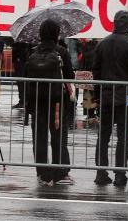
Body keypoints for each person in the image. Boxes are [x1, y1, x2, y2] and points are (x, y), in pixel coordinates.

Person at [92, 10, 128, 187]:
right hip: (127, 98)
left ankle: (101, 172)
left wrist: (97, 96)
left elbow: (96, 73)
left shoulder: (102, 44)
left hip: (106, 96)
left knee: (103, 135)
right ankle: (120, 173)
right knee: (123, 137)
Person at [23, 19, 74, 186]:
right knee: (59, 137)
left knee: (39, 137)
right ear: (56, 33)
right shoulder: (62, 52)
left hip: (37, 101)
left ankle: (42, 173)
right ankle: (61, 172)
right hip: (57, 103)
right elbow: (69, 76)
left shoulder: (33, 53)